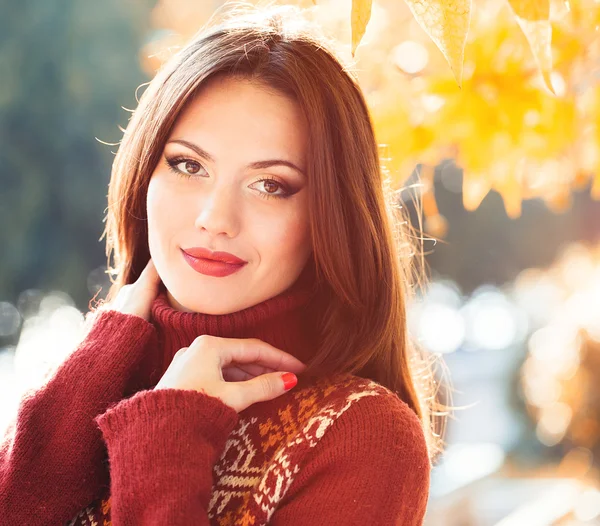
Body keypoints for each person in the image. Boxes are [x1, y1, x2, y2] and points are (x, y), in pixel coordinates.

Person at [0, 3, 448, 525]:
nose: (216, 219)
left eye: (270, 185)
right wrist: (98, 359)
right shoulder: (87, 388)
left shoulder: (359, 434)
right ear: (144, 174)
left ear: (330, 215)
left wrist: (167, 433)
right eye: (188, 165)